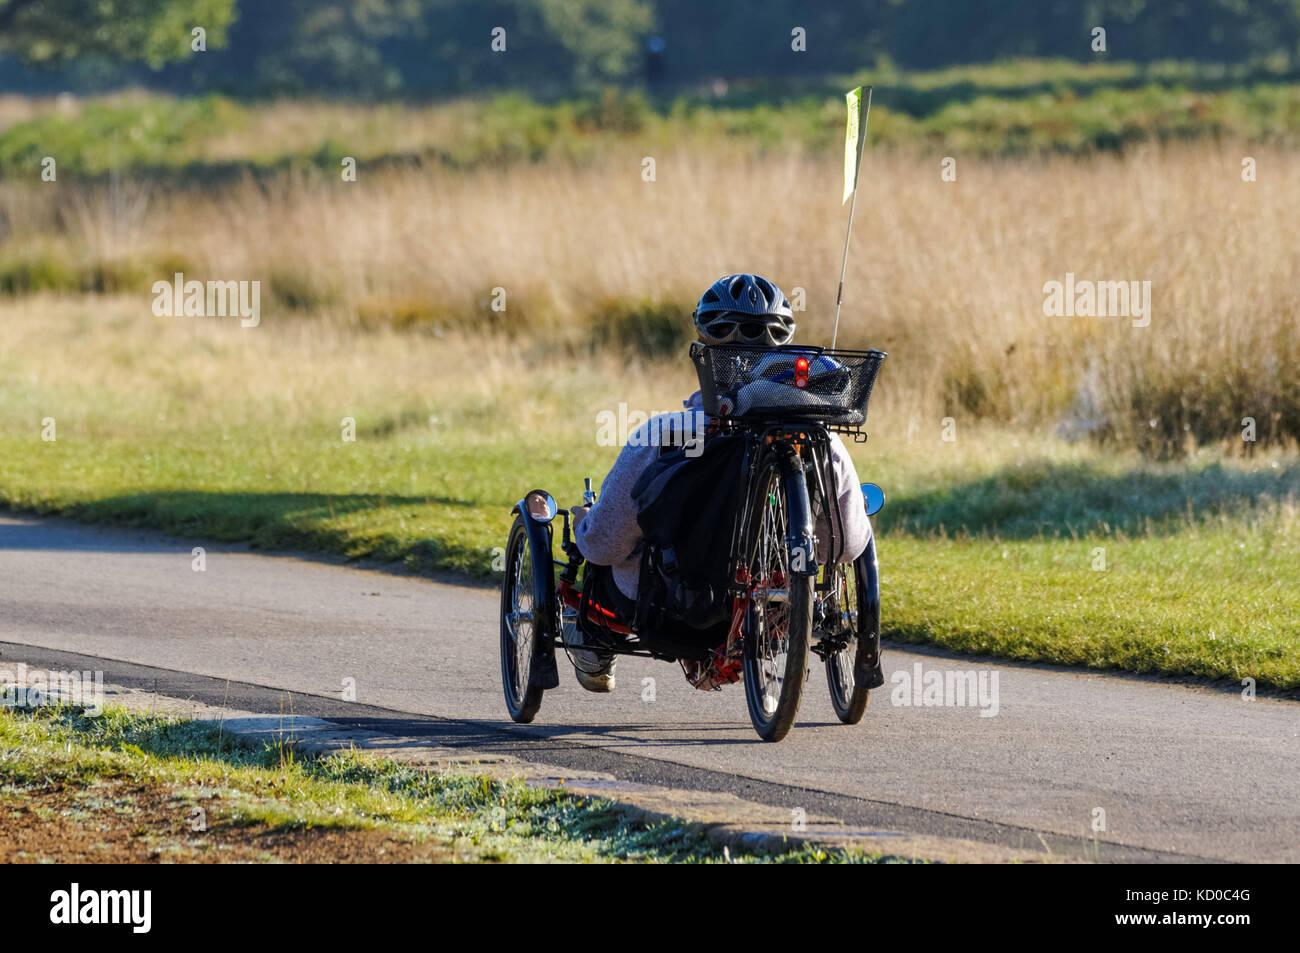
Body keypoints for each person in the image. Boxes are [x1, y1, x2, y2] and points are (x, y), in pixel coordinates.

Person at [568, 273, 871, 692]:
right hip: (778, 607)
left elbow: (605, 545)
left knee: (596, 542)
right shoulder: (823, 441)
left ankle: (594, 642)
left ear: (706, 342)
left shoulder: (667, 433)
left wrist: (585, 524)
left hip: (671, 607)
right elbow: (844, 545)